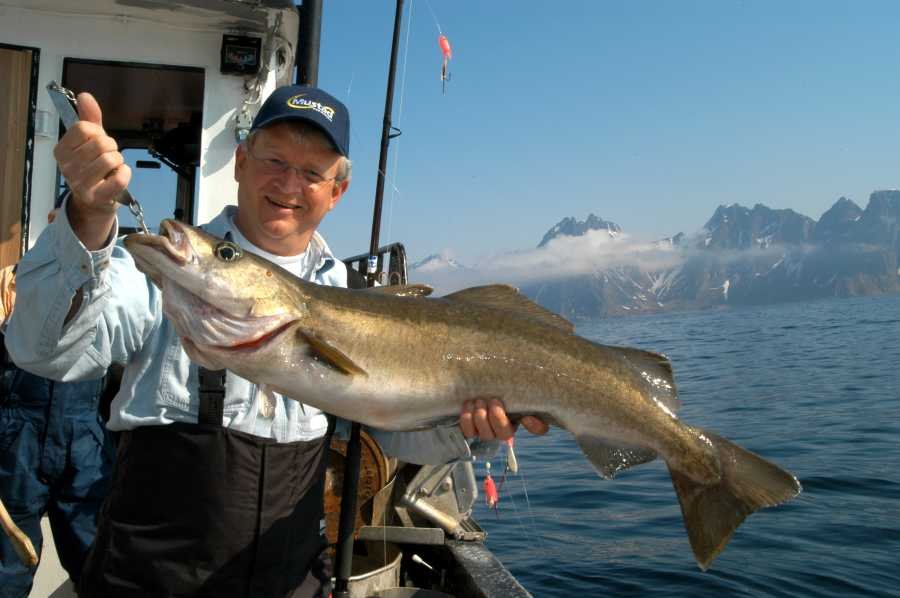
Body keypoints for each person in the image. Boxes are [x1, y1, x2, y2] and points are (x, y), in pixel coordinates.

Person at [5, 84, 547, 597]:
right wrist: (87, 218)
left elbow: (400, 434)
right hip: (145, 583)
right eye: (275, 161)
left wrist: (471, 427)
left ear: (337, 191)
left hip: (292, 581)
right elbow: (43, 351)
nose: (289, 185)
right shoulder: (162, 269)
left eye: (312, 172)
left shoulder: (358, 297)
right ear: (240, 162)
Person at [1, 209, 116, 598]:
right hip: (15, 442)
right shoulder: (11, 282)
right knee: (7, 569)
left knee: (98, 565)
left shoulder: (111, 288)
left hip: (85, 444)